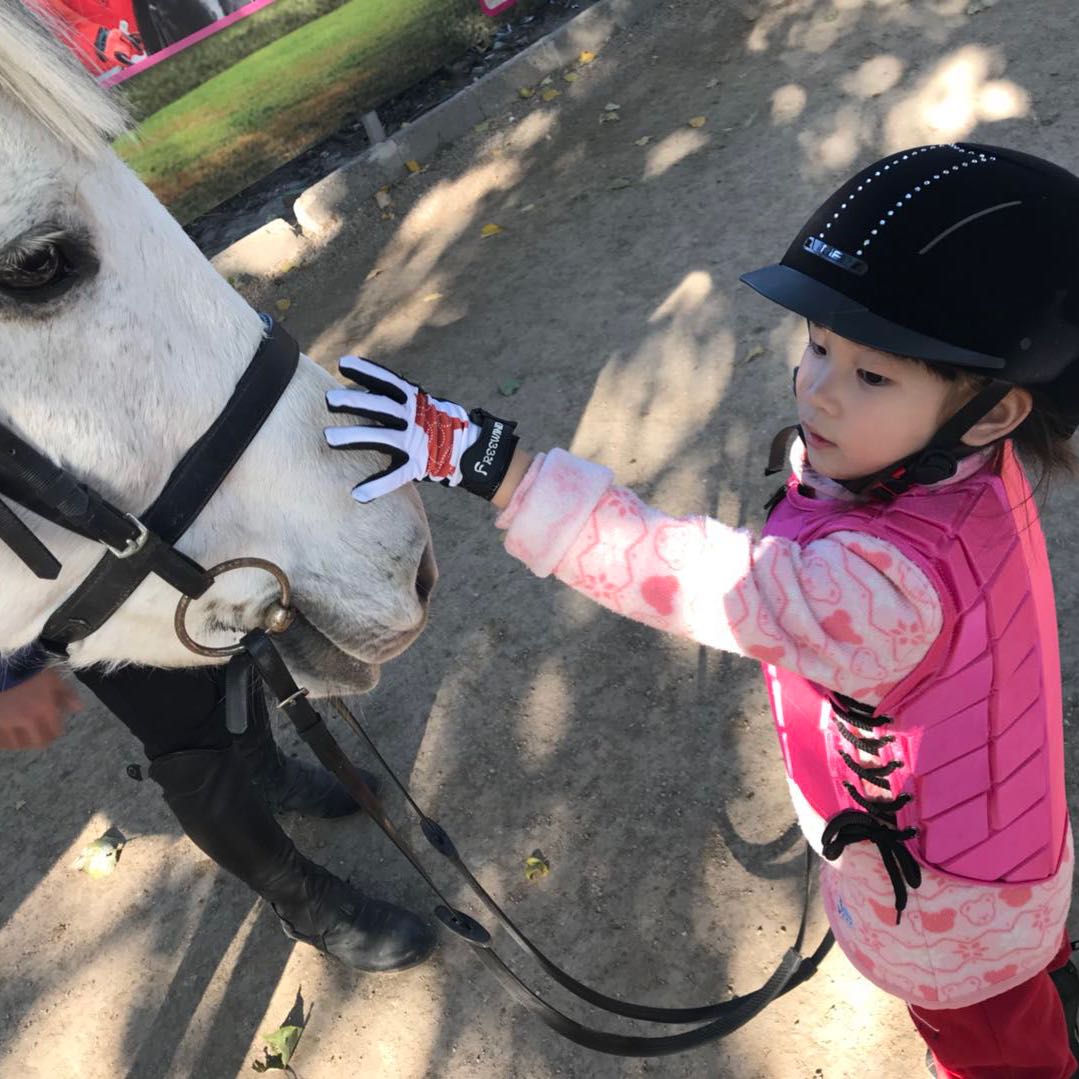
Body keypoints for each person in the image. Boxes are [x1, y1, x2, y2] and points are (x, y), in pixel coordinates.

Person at [323, 143, 1079, 1077]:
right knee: (1024, 983)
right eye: (819, 346)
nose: (814, 388)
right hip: (1005, 846)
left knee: (993, 1048)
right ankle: (1051, 985)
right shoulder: (973, 475)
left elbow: (689, 573)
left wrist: (494, 465)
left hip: (947, 910)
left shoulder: (884, 593)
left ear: (994, 412)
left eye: (871, 377)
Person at [1, 647, 435, 973]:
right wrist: (9, 669)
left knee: (228, 653)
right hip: (70, 584)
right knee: (180, 720)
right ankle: (303, 902)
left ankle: (270, 778)